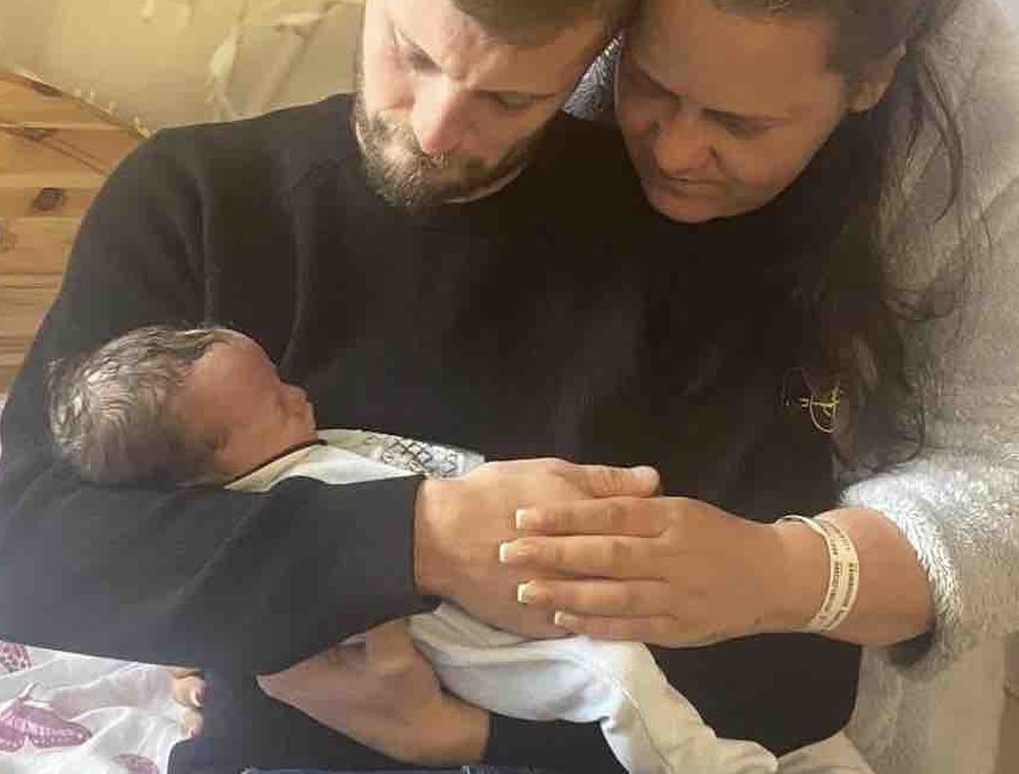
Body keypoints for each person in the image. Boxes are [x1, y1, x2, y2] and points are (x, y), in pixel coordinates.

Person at [0, 0, 866, 773]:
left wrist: (468, 737)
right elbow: (33, 563)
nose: (438, 130)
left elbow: (798, 679)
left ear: (605, 46)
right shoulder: (194, 203)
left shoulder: (694, 253)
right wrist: (426, 535)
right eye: (413, 52)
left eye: (511, 99)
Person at [517, 0, 1019, 771]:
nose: (675, 150)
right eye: (650, 86)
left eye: (738, 123)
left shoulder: (986, 131)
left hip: (833, 704)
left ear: (870, 79)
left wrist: (782, 573)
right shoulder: (576, 13)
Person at [49, 322, 839, 774]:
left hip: (487, 605)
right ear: (209, 471)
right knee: (618, 678)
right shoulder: (275, 500)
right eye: (276, 404)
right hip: (469, 635)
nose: (300, 394)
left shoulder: (307, 446)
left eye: (282, 379)